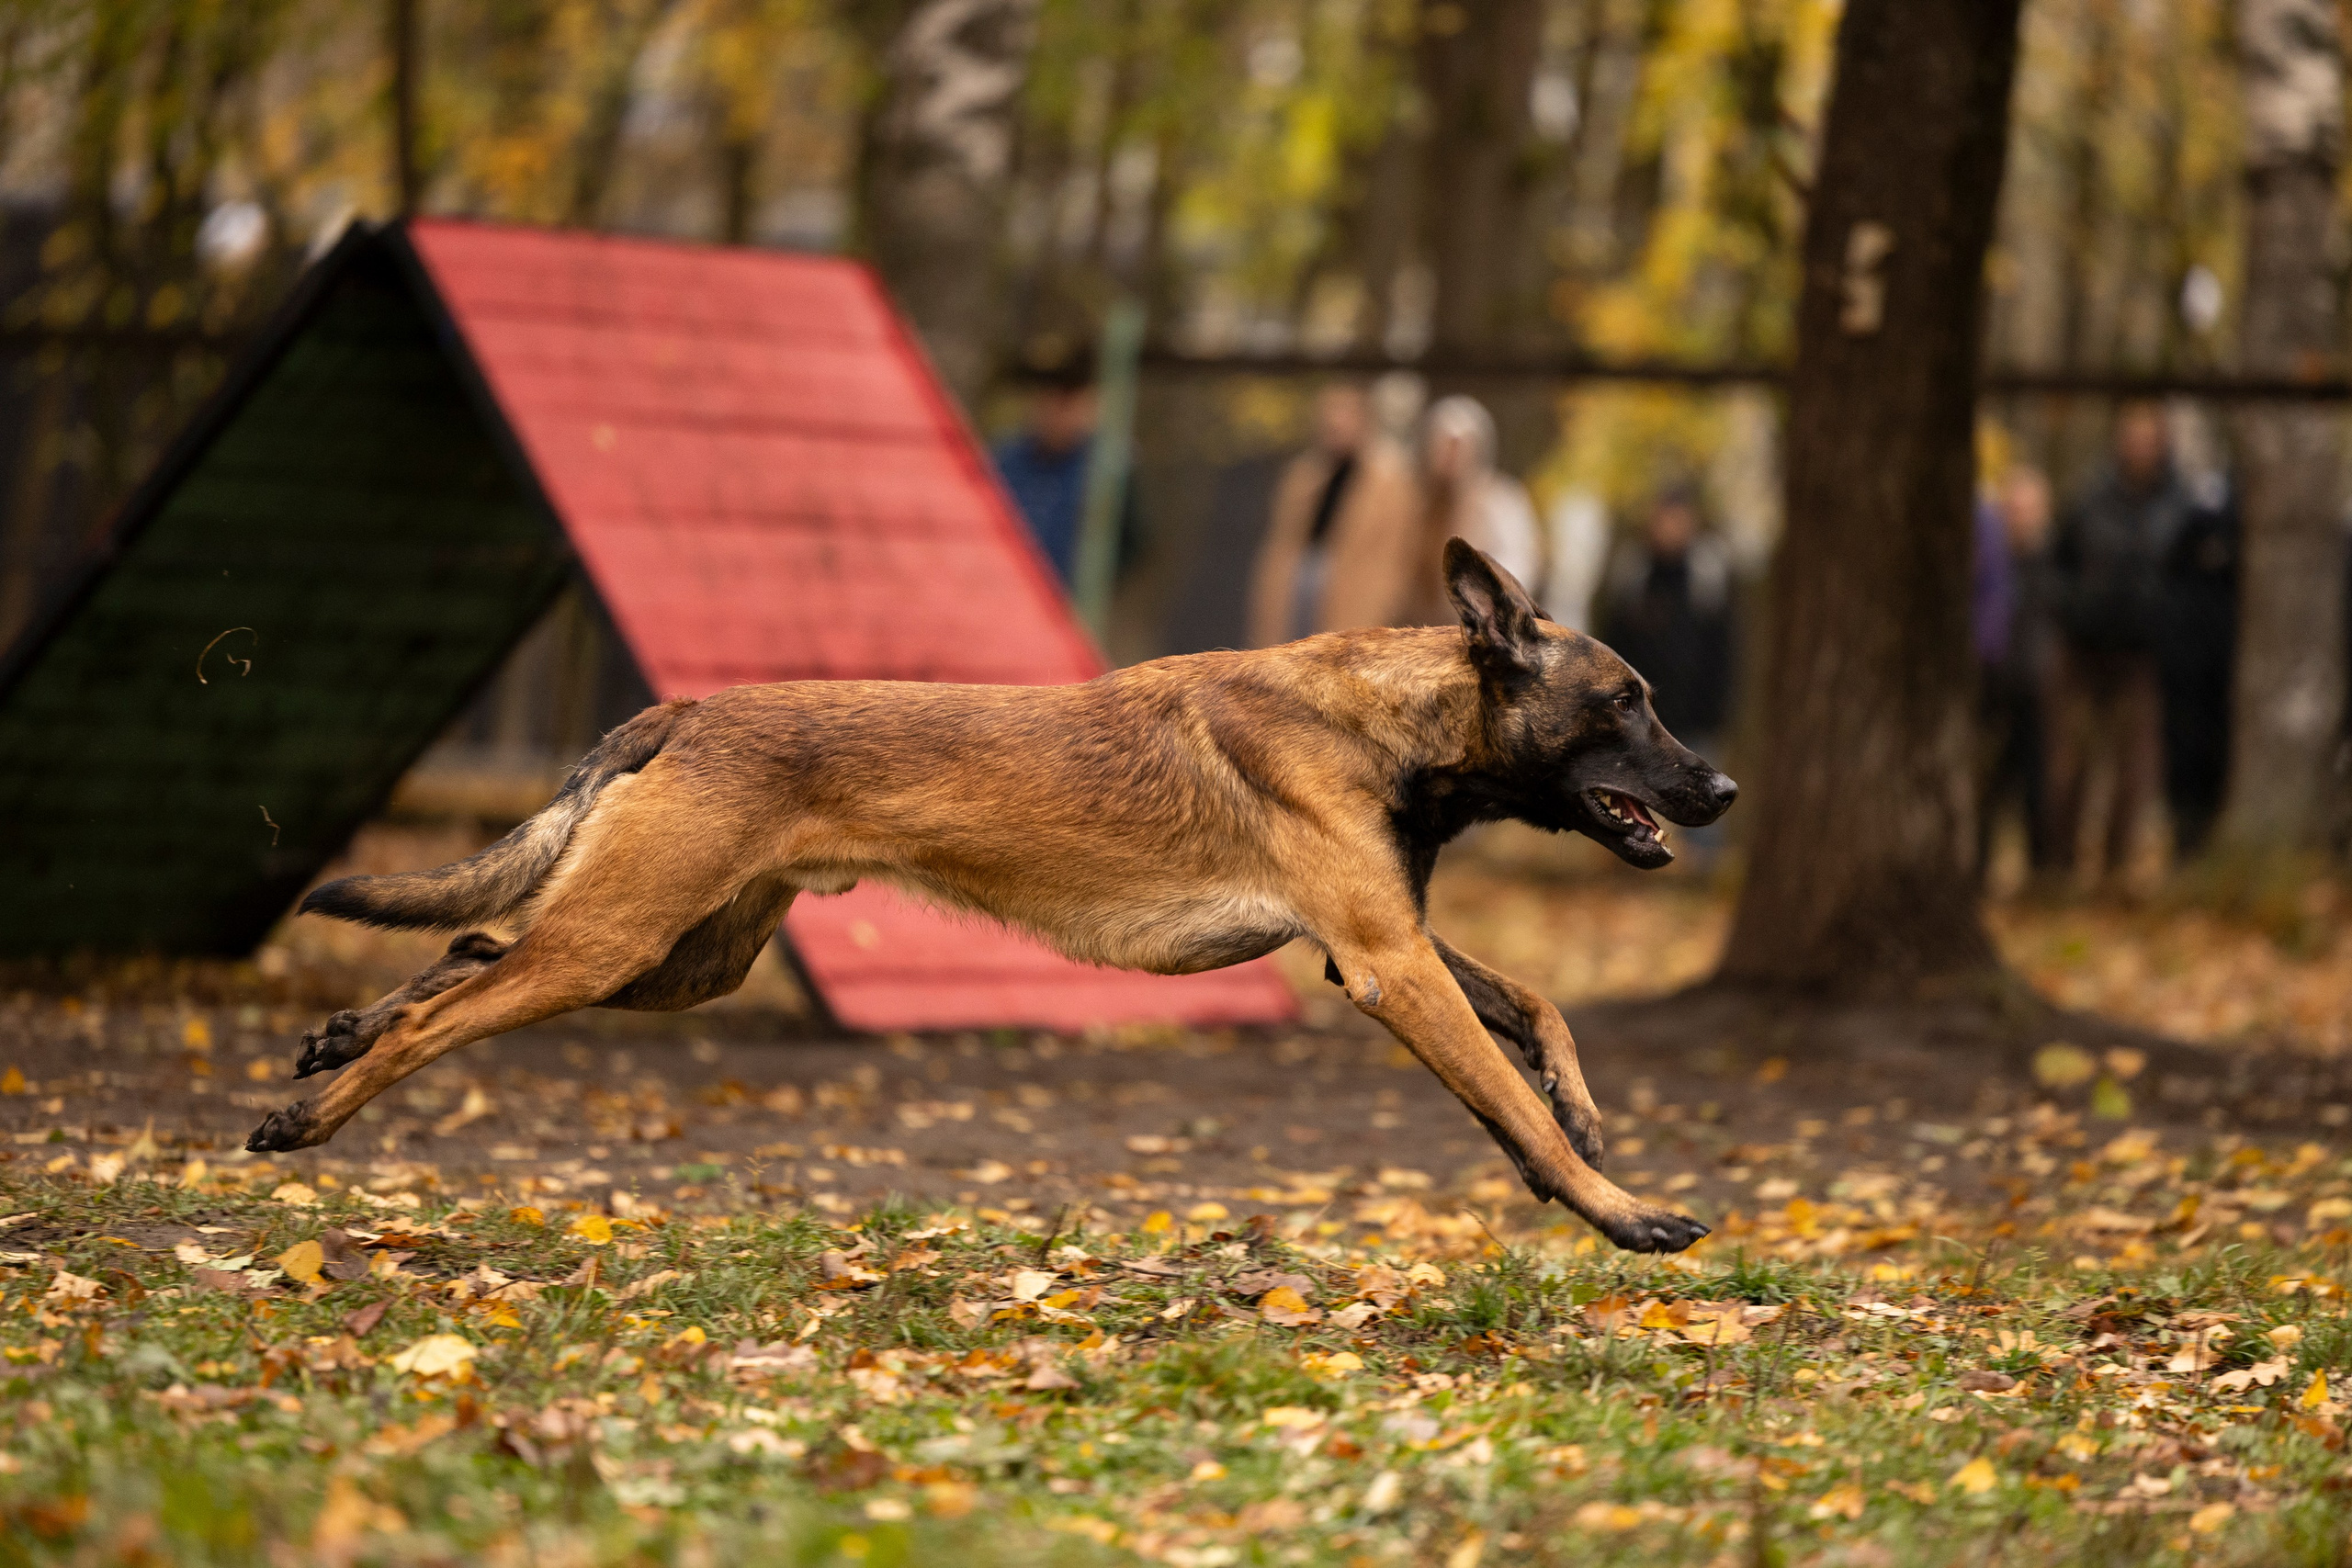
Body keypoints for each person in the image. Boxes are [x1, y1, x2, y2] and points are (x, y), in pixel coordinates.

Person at [2044, 402, 2193, 881]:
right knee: (2070, 764)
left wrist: (2165, 622)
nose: (2139, 447)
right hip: (2083, 651)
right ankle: (2057, 866)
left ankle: (2113, 871)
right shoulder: (2089, 496)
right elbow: (2056, 563)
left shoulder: (2181, 503)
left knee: (2135, 773)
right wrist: (2073, 607)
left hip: (2143, 657)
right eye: (2131, 437)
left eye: (2148, 438)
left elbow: (2190, 581)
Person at [1247, 381, 1423, 647]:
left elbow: (1397, 559)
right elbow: (1282, 543)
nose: (1337, 425)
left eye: (1345, 415)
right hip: (1298, 589)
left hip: (1356, 599)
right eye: (1330, 415)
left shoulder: (1391, 484)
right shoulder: (1305, 476)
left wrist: (1382, 606)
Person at [1597, 485, 1736, 748]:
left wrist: (1716, 715)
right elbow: (1613, 646)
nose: (1669, 527)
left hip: (1697, 726)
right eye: (1663, 518)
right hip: (1640, 722)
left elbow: (1723, 651)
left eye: (1677, 518)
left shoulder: (1707, 577)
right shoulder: (1633, 574)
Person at [989, 344, 1136, 587]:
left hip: (1065, 600)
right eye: (1047, 397)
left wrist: (1093, 584)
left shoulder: (1109, 466)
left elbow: (1133, 541)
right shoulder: (1005, 458)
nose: (1055, 411)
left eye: (1066, 401)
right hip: (1004, 590)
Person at [1974, 466, 2055, 881]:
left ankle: (2044, 871)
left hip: (2040, 687)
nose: (2019, 518)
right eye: (2013, 509)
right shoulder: (1990, 564)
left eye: (2028, 510)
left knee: (2039, 785)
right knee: (1987, 784)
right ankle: (1980, 868)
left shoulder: (2054, 561)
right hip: (1993, 685)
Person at [2155, 474, 2237, 856]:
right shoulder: (2179, 534)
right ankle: (2186, 839)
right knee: (2185, 755)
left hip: (2222, 669)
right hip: (2183, 670)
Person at [1417, 396, 1543, 615]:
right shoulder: (1416, 502)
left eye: (1459, 445)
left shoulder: (1501, 501)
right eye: (1444, 444)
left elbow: (1521, 562)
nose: (1451, 455)